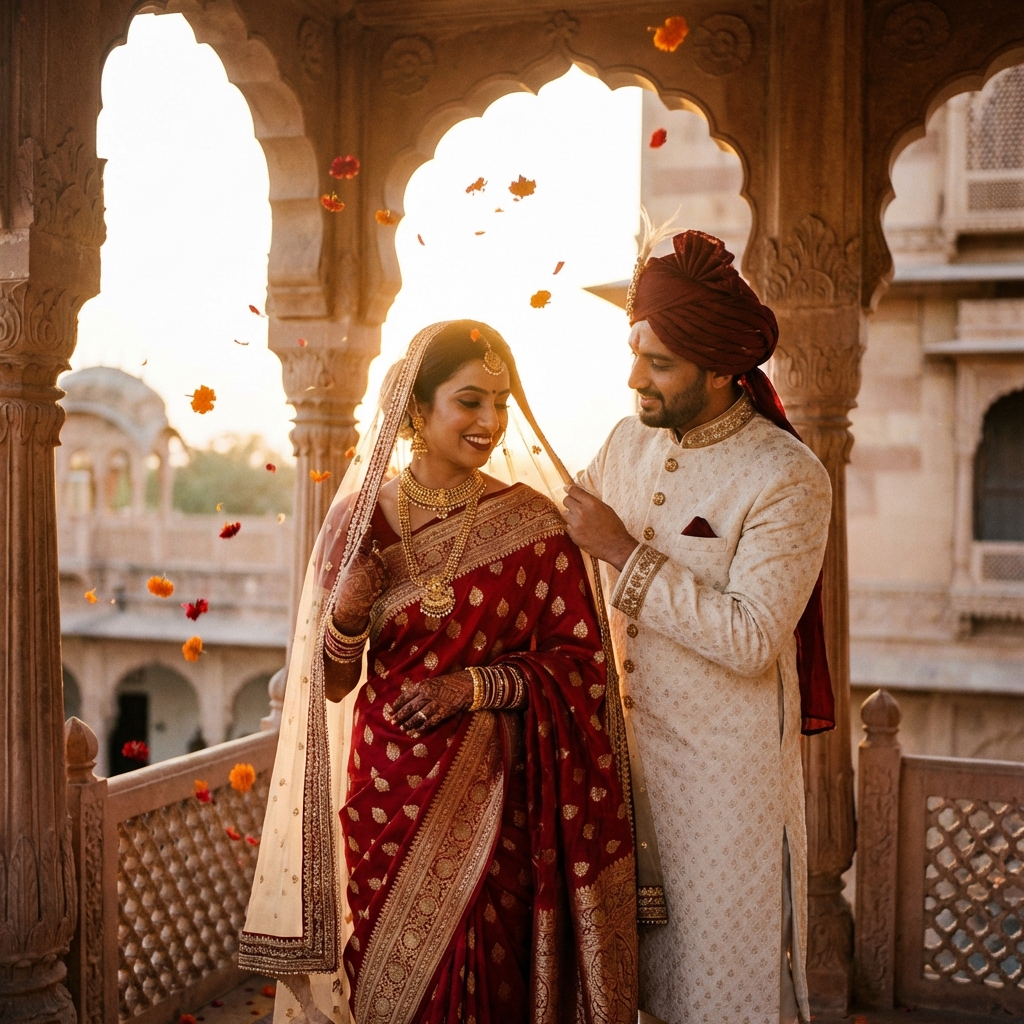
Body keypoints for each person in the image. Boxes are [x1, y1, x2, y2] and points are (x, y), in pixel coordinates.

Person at [239, 320, 638, 1024]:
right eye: (470, 401)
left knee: (489, 975)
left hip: (497, 799)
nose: (491, 421)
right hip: (387, 790)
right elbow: (332, 686)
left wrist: (474, 686)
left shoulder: (536, 527)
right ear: (417, 410)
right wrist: (346, 620)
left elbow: (583, 668)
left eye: (501, 402)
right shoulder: (359, 522)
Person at [562, 229, 835, 1024]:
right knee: (623, 984)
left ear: (721, 368)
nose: (634, 377)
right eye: (635, 351)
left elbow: (754, 639)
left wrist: (624, 552)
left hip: (726, 791)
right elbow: (552, 529)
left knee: (719, 991)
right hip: (622, 771)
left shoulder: (787, 476)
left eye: (659, 362)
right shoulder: (622, 444)